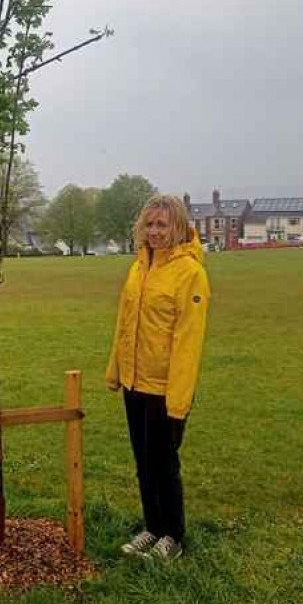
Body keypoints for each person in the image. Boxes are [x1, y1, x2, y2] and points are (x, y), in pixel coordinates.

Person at [106, 194, 210, 561]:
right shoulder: (139, 267)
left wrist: (178, 399)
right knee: (143, 462)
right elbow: (124, 324)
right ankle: (152, 527)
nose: (154, 232)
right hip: (135, 384)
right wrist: (116, 371)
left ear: (178, 227)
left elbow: (188, 342)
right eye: (149, 224)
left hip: (166, 388)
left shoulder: (191, 274)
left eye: (162, 225)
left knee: (164, 464)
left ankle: (173, 537)